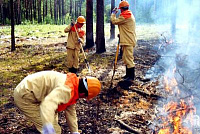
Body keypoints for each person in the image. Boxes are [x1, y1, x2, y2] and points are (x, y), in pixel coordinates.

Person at [14, 71, 101, 134]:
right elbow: (46, 105)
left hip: (36, 93)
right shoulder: (67, 90)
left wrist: (74, 132)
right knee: (55, 130)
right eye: (85, 97)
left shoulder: (74, 85)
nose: (83, 98)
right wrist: (47, 126)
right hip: (25, 95)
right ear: (83, 93)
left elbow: (70, 112)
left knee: (53, 121)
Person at [110, 1, 137, 81]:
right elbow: (125, 27)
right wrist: (121, 34)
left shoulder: (126, 15)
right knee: (126, 58)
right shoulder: (128, 14)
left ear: (121, 9)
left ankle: (131, 77)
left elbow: (114, 21)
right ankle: (127, 75)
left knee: (129, 59)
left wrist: (113, 14)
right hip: (127, 39)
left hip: (128, 41)